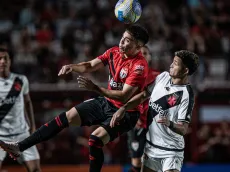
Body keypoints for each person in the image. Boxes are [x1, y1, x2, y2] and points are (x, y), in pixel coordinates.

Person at [0, 25, 149, 172]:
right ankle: (19, 147)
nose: (122, 42)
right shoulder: (113, 52)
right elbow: (90, 65)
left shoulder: (139, 66)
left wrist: (95, 88)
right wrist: (73, 66)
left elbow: (124, 96)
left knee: (95, 140)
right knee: (67, 117)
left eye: (127, 40)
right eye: (122, 38)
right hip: (107, 102)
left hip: (126, 112)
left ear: (138, 46)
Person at [110, 50, 199, 172]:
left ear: (185, 70)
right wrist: (124, 108)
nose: (171, 65)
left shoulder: (186, 95)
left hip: (171, 152)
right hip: (151, 148)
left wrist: (170, 123)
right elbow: (143, 96)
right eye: (172, 61)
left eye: (176, 63)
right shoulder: (162, 77)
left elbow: (183, 129)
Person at [0, 48, 40, 172]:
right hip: (0, 137)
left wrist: (32, 126)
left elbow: (28, 102)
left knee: (35, 170)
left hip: (22, 135)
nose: (2, 61)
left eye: (5, 58)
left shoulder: (21, 80)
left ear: (10, 61)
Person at [127, 46, 160, 172]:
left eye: (145, 53)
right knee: (136, 164)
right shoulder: (128, 77)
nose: (143, 55)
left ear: (150, 56)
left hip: (154, 126)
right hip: (136, 124)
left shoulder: (158, 77)